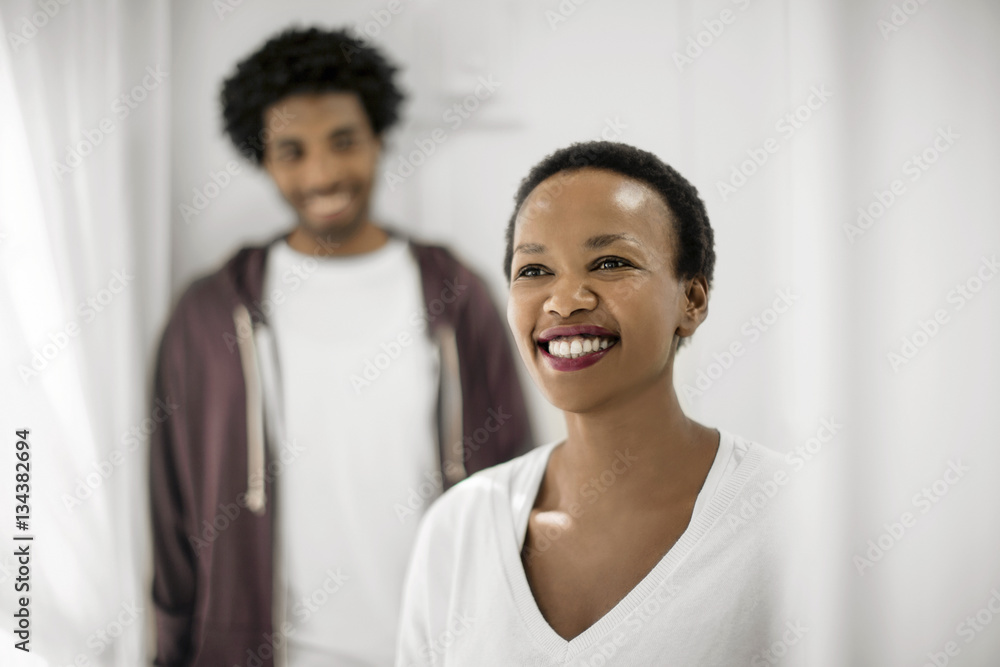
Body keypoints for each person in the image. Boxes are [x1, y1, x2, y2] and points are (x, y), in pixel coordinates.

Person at [149, 27, 532, 667]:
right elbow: (170, 511)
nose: (323, 173)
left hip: (437, 651)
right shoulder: (210, 313)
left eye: (344, 141)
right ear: (262, 158)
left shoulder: (455, 295)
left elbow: (521, 481)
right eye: (292, 151)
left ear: (379, 138)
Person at [396, 141, 798, 666]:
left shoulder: (794, 517)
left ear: (692, 300)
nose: (564, 300)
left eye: (610, 263)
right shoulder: (459, 527)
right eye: (534, 270)